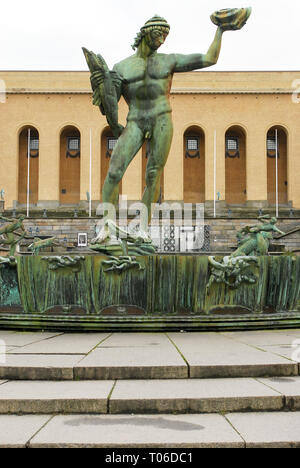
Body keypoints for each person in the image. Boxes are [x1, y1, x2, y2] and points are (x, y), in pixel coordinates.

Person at [89, 12, 250, 242]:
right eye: (159, 34)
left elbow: (209, 58)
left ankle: (143, 229)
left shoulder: (168, 61)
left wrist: (220, 30)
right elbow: (110, 103)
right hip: (134, 120)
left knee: (153, 174)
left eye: (166, 35)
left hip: (162, 119)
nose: (163, 39)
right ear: (146, 32)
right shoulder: (121, 67)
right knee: (114, 171)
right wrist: (101, 87)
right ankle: (106, 226)